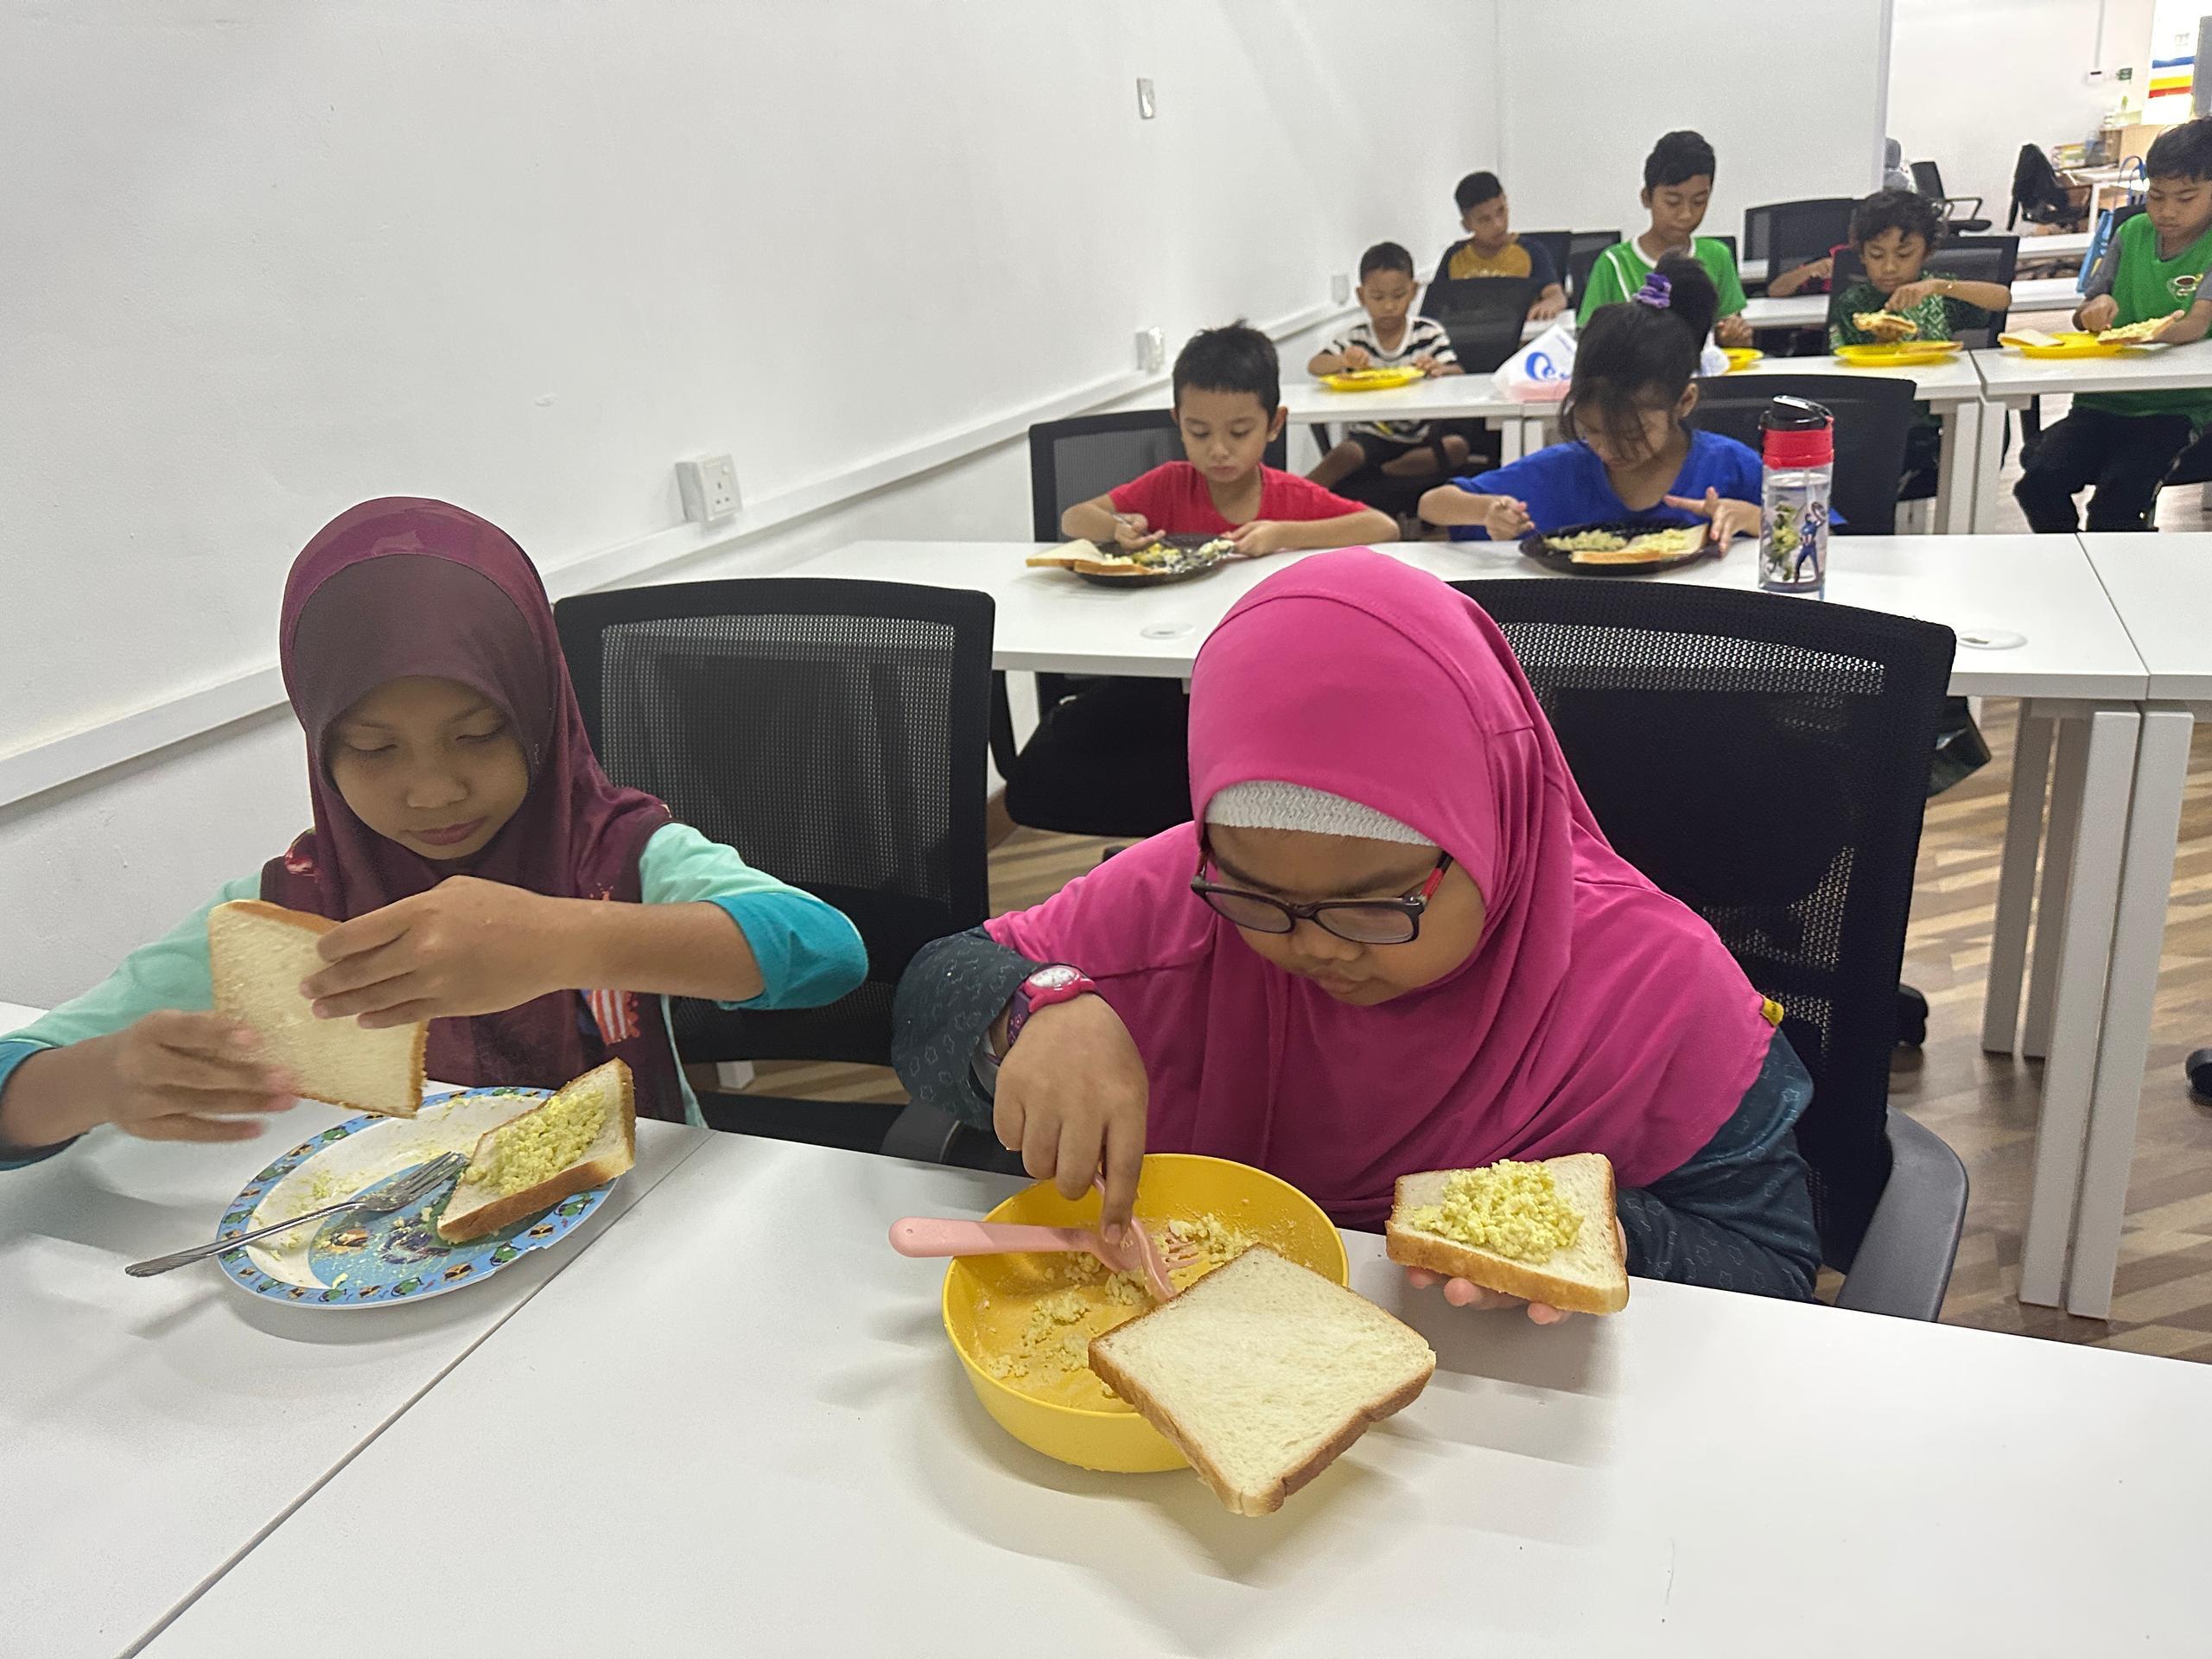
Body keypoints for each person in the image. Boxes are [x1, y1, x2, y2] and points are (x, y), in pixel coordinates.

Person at [890, 550, 1821, 1318]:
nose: (1319, 948)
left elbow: (1775, 1267)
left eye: (1375, 904)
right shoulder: (1178, 896)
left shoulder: (1654, 983)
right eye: (1259, 896)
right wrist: (1032, 1006)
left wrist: (1616, 1241)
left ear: (1493, 827)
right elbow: (933, 992)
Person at [0, 499, 868, 1166]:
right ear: (319, 749)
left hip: (637, 1210)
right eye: (375, 749)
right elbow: (22, 1074)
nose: (433, 789)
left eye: (479, 735)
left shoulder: (613, 856)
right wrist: (101, 1080)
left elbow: (826, 952)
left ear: (540, 718)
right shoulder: (296, 906)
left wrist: (563, 941)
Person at [1417, 256, 1761, 549]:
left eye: (1632, 433)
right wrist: (1486, 511)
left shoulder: (1728, 466)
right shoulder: (1563, 471)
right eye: (1593, 429)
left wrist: (1750, 517)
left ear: (1684, 401)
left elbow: (1792, 526)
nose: (1608, 448)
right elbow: (1432, 504)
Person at [2016, 117, 2212, 532]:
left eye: (2186, 199)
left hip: (2176, 409)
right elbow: (2085, 313)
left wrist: (2150, 331)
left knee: (2116, 505)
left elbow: (2197, 323)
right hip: (2101, 403)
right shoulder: (2132, 232)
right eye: (2156, 196)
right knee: (2037, 484)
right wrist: (2094, 311)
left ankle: (2117, 566)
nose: (2167, 211)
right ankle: (2074, 558)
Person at [1061, 322, 1396, 556]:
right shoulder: (1168, 486)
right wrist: (1115, 528)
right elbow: (1073, 518)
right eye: (1199, 432)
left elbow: (1382, 526)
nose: (1218, 450)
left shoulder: (1290, 496)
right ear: (1179, 424)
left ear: (1274, 424)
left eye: (1239, 432)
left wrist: (1283, 533)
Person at [1828, 187, 2014, 497]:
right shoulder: (1854, 303)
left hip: (1939, 418)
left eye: (1904, 255)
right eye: (1877, 255)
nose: (1889, 267)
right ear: (1861, 255)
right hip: (1882, 420)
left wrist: (1941, 286)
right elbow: (1846, 369)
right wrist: (1880, 341)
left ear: (1926, 252)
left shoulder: (1937, 295)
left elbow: (2002, 298)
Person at [1305, 242, 1467, 499]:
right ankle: (1297, 495)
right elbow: (1315, 366)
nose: (1389, 306)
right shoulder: (1355, 338)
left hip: (1423, 434)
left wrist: (1440, 369)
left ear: (1413, 291)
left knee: (1456, 448)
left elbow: (1458, 373)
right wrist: (1342, 360)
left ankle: (1386, 470)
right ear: (1361, 296)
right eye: (1378, 298)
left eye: (1398, 296)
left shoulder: (1428, 333)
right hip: (1372, 433)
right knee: (1344, 453)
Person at [1579, 130, 1752, 347]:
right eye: (1673, 202)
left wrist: (1733, 336)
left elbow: (1731, 331)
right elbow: (1588, 343)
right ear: (1646, 198)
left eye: (1699, 202)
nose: (1686, 214)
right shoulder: (1614, 263)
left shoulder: (1717, 256)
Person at [1433, 171, 1567, 321]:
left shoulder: (1531, 251)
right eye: (1485, 219)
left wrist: (1551, 302)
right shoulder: (1454, 257)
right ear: (1466, 225)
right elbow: (1433, 309)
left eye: (1501, 211)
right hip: (1471, 332)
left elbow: (1556, 295)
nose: (1498, 224)